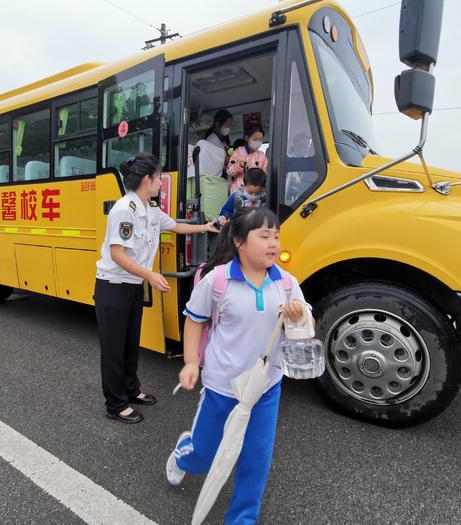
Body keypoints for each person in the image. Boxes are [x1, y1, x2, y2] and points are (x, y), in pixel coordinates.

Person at [165, 207, 309, 524]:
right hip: (221, 385)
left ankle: (241, 519)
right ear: (240, 241)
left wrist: (299, 316)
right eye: (264, 235)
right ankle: (183, 453)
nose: (273, 242)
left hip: (265, 387)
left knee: (255, 461)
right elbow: (194, 320)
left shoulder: (286, 283)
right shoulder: (217, 280)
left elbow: (304, 323)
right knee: (205, 455)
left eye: (276, 235)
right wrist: (191, 362)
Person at [94, 153, 218, 424]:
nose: (162, 183)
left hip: (133, 286)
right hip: (113, 288)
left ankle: (131, 390)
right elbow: (118, 254)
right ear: (147, 180)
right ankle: (115, 404)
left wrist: (204, 227)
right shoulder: (124, 209)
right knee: (114, 348)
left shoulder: (149, 209)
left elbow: (174, 226)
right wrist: (150, 274)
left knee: (130, 343)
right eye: (159, 178)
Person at [226, 122, 269, 193]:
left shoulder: (262, 157)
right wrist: (239, 165)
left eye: (260, 140)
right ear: (246, 138)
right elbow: (229, 172)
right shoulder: (238, 152)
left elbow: (264, 177)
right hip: (238, 192)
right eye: (255, 139)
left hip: (255, 194)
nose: (258, 142)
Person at [195, 109, 233, 178]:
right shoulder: (212, 139)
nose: (229, 127)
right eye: (227, 124)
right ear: (217, 123)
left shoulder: (222, 138)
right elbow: (217, 159)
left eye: (230, 125)